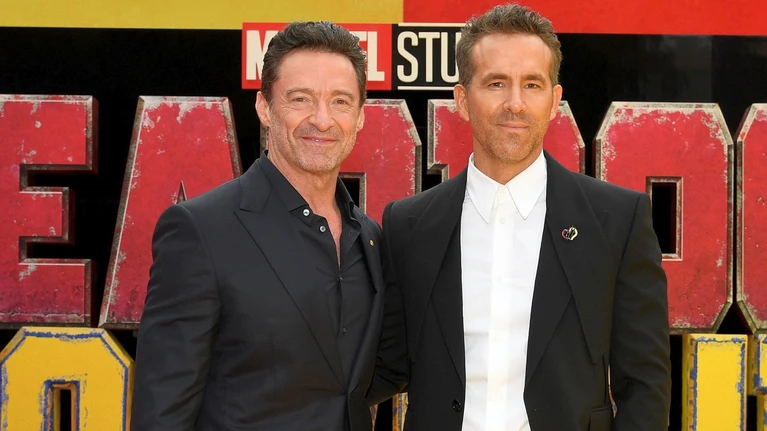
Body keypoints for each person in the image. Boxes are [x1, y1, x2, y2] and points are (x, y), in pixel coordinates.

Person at [368, 4, 671, 430]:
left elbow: (645, 385)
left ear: (554, 101)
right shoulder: (409, 225)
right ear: (462, 99)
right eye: (496, 83)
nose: (515, 103)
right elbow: (387, 365)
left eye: (532, 84)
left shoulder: (616, 221)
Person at [132, 21, 385, 431]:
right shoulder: (201, 230)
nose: (322, 120)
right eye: (300, 99)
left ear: (359, 117)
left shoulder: (369, 237)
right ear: (265, 108)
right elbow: (162, 412)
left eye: (340, 102)